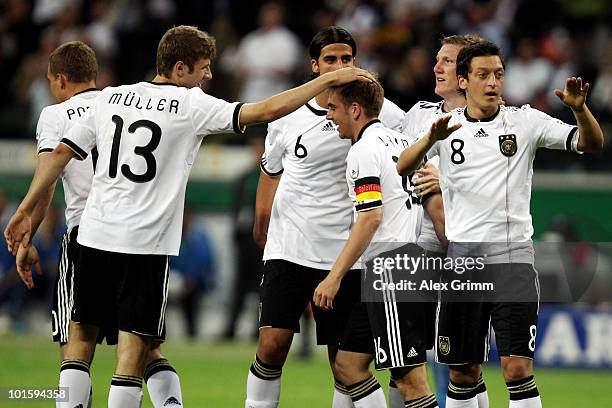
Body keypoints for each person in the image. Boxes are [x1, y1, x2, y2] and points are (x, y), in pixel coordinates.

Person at [4, 26, 373, 408]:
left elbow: (63, 152)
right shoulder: (191, 104)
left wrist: (24, 210)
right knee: (132, 357)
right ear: (180, 69)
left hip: (94, 236)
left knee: (79, 340)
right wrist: (328, 80)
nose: (209, 77)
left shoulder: (112, 96)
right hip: (144, 243)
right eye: (204, 68)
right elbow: (265, 110)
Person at [396, 40, 603, 408]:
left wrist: (581, 110)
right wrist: (431, 137)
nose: (493, 82)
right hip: (462, 264)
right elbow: (403, 166)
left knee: (517, 369)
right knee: (462, 373)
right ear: (463, 81)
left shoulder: (524, 122)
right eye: (483, 75)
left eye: (498, 74)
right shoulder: (446, 128)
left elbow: (591, 143)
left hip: (513, 262)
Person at [9, 41, 184, 408]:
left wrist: (28, 236)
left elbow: (48, 177)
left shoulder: (57, 115)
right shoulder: (118, 102)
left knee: (77, 344)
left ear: (59, 79)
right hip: (136, 236)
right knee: (145, 346)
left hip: (86, 236)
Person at [248, 26, 405, 408]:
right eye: (331, 60)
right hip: (290, 245)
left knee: (343, 361)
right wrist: (261, 223)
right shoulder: (287, 114)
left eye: (347, 59)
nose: (339, 67)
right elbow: (270, 172)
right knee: (272, 345)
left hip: (343, 252)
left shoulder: (383, 113)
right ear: (314, 65)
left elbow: (409, 153)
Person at [314, 78, 438, 408]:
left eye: (333, 108)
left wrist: (334, 276)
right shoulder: (402, 141)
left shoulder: (363, 151)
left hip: (393, 270)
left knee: (411, 381)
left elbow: (370, 217)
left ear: (355, 110)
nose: (329, 116)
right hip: (402, 266)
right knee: (348, 364)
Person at [401, 34, 489, 408]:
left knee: (463, 364)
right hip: (413, 249)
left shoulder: (491, 123)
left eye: (448, 61)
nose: (437, 67)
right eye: (436, 59)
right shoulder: (417, 114)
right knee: (406, 359)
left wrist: (444, 182)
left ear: (468, 72)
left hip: (464, 249)